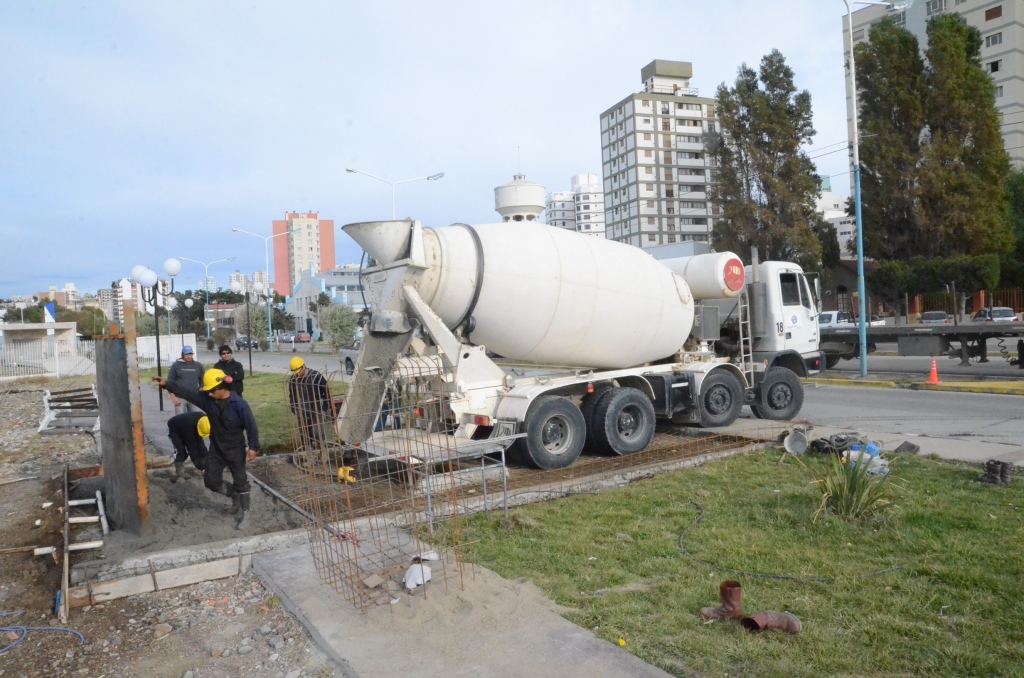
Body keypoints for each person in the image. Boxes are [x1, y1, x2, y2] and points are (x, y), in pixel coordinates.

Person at [153, 368, 260, 530]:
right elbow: (188, 393)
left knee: (241, 481)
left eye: (212, 391)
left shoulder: (239, 405)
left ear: (221, 388)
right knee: (211, 481)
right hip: (217, 449)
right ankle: (234, 495)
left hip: (235, 449)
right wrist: (167, 385)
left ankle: (246, 512)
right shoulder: (209, 401)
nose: (209, 394)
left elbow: (251, 426)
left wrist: (253, 447)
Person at [287, 357, 333, 450]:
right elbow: (292, 395)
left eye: (299, 372)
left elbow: (326, 392)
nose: (298, 374)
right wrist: (294, 408)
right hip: (301, 411)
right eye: (296, 373)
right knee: (304, 434)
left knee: (317, 432)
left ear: (304, 366)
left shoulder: (316, 376)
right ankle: (308, 452)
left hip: (315, 410)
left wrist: (325, 408)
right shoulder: (293, 380)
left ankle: (323, 451)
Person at [166, 412, 210, 483]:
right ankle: (180, 475)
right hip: (174, 429)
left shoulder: (206, 420)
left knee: (202, 449)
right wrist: (201, 468)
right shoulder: (189, 430)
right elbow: (192, 451)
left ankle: (207, 468)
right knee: (181, 452)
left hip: (189, 425)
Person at [167, 346, 204, 415]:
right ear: (182, 355)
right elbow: (170, 382)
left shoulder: (198, 366)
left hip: (194, 397)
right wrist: (173, 397)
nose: (189, 356)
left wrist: (201, 390)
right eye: (186, 354)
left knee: (196, 417)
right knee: (180, 418)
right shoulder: (176, 365)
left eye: (190, 354)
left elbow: (203, 380)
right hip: (180, 397)